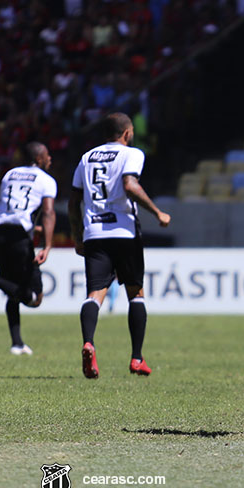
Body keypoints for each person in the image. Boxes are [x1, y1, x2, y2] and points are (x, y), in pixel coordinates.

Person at [68, 112, 171, 379]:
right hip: (124, 232)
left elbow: (72, 202)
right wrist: (157, 212)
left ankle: (89, 342)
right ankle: (137, 358)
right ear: (126, 133)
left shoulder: (86, 157)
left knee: (95, 294)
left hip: (94, 233)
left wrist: (78, 236)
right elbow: (129, 184)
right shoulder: (131, 154)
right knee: (136, 293)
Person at [0, 142, 57, 355]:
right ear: (39, 159)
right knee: (34, 297)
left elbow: (7, 206)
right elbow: (49, 212)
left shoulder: (9, 174)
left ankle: (17, 343)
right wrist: (48, 245)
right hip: (20, 238)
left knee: (12, 292)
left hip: (2, 233)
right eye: (48, 155)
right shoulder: (46, 180)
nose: (50, 159)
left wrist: (35, 227)